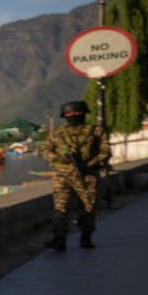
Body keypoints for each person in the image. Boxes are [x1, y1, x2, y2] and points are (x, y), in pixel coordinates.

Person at [41, 100, 110, 251]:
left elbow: (105, 152)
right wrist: (61, 158)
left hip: (85, 175)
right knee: (62, 207)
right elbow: (45, 151)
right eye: (71, 114)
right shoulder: (57, 133)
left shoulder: (96, 131)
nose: (74, 116)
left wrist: (88, 164)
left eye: (76, 113)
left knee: (87, 207)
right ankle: (60, 240)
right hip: (66, 176)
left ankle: (85, 238)